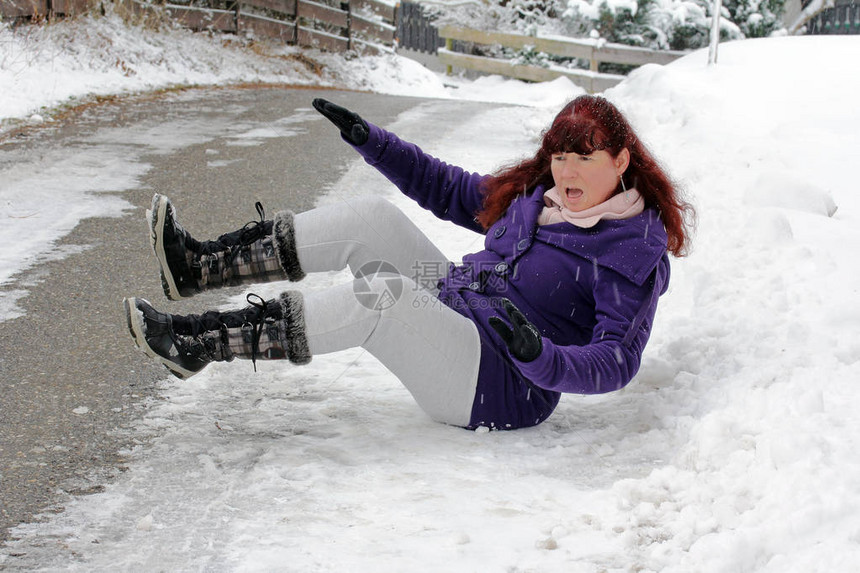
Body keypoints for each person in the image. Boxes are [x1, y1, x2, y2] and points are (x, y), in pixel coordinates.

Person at [123, 95, 693, 431]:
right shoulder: (537, 195)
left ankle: (199, 343)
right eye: (560, 156)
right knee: (373, 219)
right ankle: (199, 267)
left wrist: (540, 357)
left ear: (620, 160)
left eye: (583, 159)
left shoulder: (631, 251)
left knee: (385, 297)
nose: (566, 172)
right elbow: (447, 189)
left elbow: (616, 359)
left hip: (501, 382)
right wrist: (372, 141)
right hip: (459, 303)